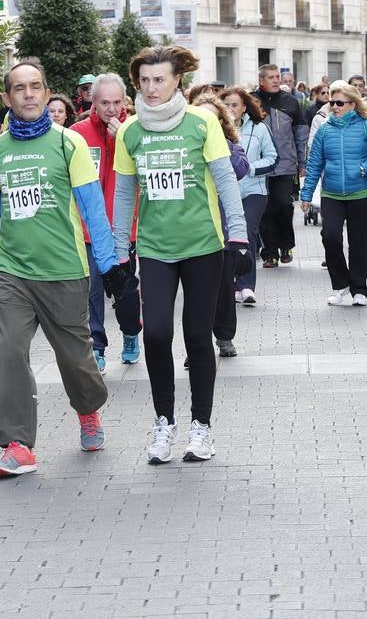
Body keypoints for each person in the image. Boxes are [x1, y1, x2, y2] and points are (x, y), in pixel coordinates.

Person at [0, 60, 125, 477]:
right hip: (12, 271)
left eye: (35, 86)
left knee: (75, 357)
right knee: (11, 351)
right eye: (19, 88)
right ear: (7, 98)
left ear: (45, 90)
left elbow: (92, 208)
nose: (29, 94)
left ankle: (89, 409)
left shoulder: (67, 144)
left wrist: (110, 266)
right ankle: (17, 445)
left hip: (63, 269)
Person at [112, 46, 250, 465]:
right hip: (155, 248)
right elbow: (123, 193)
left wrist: (239, 235)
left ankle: (201, 427)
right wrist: (120, 253)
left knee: (196, 336)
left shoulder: (201, 122)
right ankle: (163, 423)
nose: (152, 88)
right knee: (154, 333)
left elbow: (226, 179)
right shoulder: (130, 131)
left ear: (177, 82)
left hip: (203, 245)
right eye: (145, 81)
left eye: (160, 80)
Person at [69, 73, 143, 372]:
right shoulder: (76, 133)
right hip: (88, 227)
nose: (111, 109)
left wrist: (122, 138)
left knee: (125, 289)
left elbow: (145, 169)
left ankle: (130, 333)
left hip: (125, 226)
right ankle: (96, 346)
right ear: (93, 102)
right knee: (92, 290)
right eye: (104, 103)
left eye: (116, 102)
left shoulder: (135, 130)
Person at [299, 81, 367, 306]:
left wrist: (364, 168)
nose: (334, 106)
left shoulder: (366, 125)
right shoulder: (325, 129)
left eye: (339, 103)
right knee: (330, 237)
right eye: (331, 102)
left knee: (358, 242)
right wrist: (306, 194)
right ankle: (340, 285)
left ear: (352, 104)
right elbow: (314, 164)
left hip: (360, 194)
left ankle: (359, 289)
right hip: (332, 194)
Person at [190, 92, 249, 358]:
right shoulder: (184, 148)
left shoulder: (231, 146)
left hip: (221, 229)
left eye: (211, 120)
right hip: (192, 228)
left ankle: (224, 337)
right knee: (195, 293)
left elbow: (240, 168)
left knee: (224, 287)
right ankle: (197, 344)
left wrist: (217, 143)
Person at [222, 87, 276, 305]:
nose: (230, 109)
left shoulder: (259, 129)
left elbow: (273, 158)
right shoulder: (215, 129)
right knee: (228, 236)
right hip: (226, 192)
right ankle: (231, 284)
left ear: (244, 106)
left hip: (254, 190)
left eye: (234, 104)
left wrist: (249, 168)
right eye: (226, 104)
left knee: (247, 232)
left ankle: (246, 286)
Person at [254, 63, 308, 268]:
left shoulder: (290, 102)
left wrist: (302, 163)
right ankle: (269, 252)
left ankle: (286, 245)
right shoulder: (251, 101)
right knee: (265, 208)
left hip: (285, 164)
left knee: (284, 205)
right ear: (261, 80)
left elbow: (301, 134)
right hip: (259, 166)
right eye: (271, 77)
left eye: (278, 77)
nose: (276, 80)